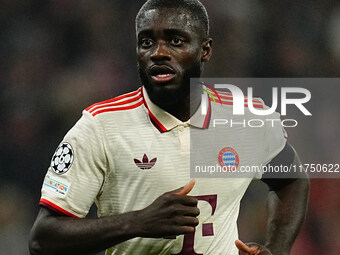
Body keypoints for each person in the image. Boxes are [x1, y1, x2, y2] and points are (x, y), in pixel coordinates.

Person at [29, 0, 310, 254]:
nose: (158, 53)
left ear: (205, 50)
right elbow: (43, 239)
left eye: (175, 41)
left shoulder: (247, 117)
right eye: (147, 42)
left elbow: (293, 180)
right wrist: (137, 222)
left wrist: (277, 248)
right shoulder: (99, 126)